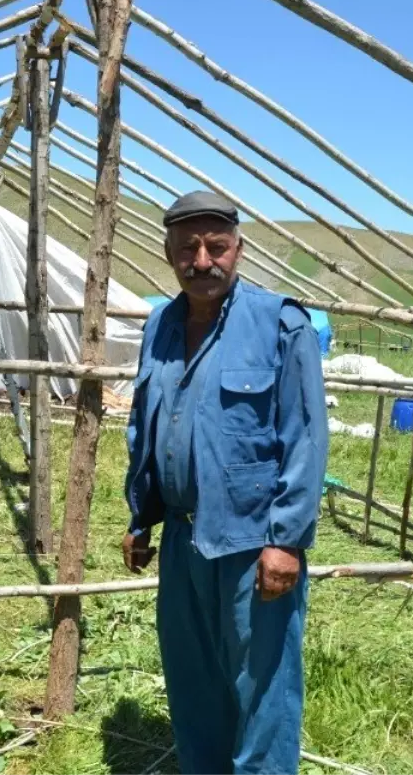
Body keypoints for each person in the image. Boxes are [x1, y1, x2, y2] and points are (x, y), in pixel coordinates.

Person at [121, 191, 328, 775]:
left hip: (252, 542)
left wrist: (286, 540)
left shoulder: (280, 324)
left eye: (217, 246)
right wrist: (141, 516)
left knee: (261, 684)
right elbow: (146, 426)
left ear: (239, 249)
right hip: (184, 540)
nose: (202, 259)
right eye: (188, 248)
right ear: (168, 252)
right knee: (193, 679)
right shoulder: (160, 324)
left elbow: (306, 437)